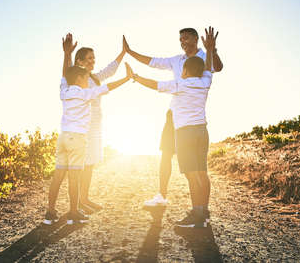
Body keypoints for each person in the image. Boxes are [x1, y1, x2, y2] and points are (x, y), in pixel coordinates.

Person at [123, 28, 223, 215]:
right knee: (190, 165)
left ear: (196, 39)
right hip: (191, 122)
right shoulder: (200, 77)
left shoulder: (182, 81)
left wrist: (134, 77)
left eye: (186, 38)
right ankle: (199, 211)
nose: (182, 42)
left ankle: (197, 213)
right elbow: (154, 62)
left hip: (185, 126)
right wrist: (131, 52)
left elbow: (156, 84)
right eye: (180, 39)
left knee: (193, 173)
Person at [43, 44, 132, 225]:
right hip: (78, 138)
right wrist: (127, 78)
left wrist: (66, 53)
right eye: (84, 78)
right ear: (79, 76)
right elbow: (108, 87)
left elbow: (64, 76)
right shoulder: (86, 93)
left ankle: (50, 211)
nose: (87, 79)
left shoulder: (64, 90)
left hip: (63, 137)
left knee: (59, 175)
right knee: (75, 176)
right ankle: (74, 212)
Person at [62, 34, 126, 213]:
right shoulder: (76, 78)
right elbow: (66, 71)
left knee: (90, 164)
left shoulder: (95, 78)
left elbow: (110, 70)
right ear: (79, 61)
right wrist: (67, 54)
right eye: (89, 59)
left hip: (96, 127)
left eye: (94, 58)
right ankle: (77, 205)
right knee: (81, 164)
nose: (93, 61)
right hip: (83, 128)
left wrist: (123, 52)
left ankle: (85, 198)